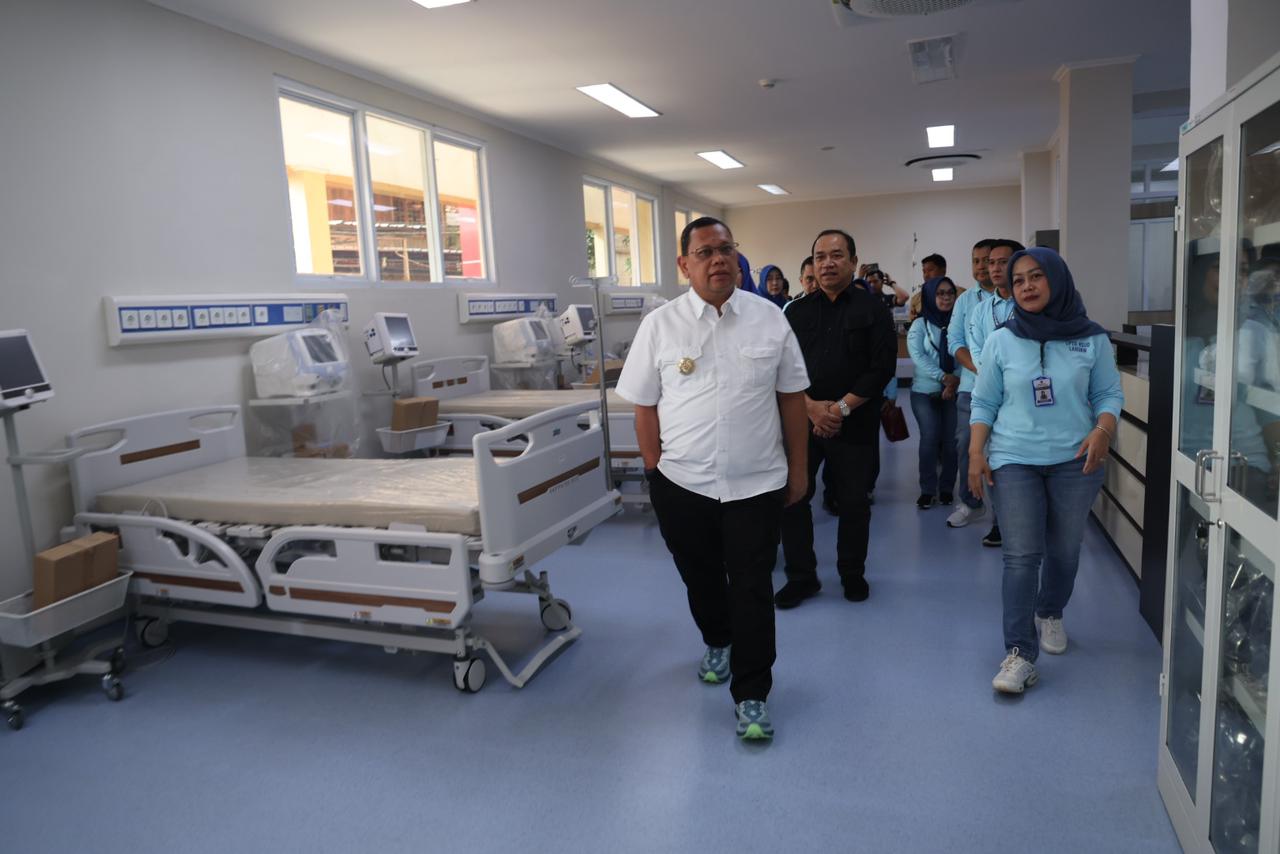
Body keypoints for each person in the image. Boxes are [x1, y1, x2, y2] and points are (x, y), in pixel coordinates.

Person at [616, 216, 810, 740]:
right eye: (704, 252)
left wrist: (798, 469)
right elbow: (643, 406)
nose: (718, 259)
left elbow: (792, 399)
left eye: (725, 249)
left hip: (756, 483)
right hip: (683, 485)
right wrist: (655, 471)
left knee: (752, 588)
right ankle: (717, 639)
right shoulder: (660, 325)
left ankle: (752, 693)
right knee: (699, 578)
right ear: (685, 264)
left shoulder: (770, 319)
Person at [968, 247, 1123, 694]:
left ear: (1057, 280)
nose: (1027, 286)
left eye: (1036, 276)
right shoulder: (1001, 340)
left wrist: (1103, 430)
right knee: (1021, 555)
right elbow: (984, 401)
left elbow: (1109, 394)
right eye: (1018, 280)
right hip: (1014, 457)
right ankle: (1019, 653)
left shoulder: (1091, 338)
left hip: (1076, 460)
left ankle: (1050, 611)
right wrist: (976, 452)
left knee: (1065, 550)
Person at [776, 229, 897, 608]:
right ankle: (801, 577)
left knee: (853, 501)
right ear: (812, 264)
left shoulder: (874, 310)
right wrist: (812, 408)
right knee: (794, 495)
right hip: (803, 422)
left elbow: (881, 369)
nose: (827, 263)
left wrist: (839, 409)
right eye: (819, 257)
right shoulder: (796, 312)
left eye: (836, 255)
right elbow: (781, 369)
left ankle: (851, 573)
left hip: (855, 423)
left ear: (853, 261)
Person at [958, 239, 1025, 547]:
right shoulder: (981, 310)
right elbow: (976, 351)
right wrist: (995, 380)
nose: (994, 268)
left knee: (1016, 462)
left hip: (1024, 401)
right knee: (990, 457)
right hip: (988, 394)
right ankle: (999, 522)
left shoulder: (1030, 304)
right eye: (991, 262)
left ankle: (1017, 521)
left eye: (1002, 262)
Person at [946, 239, 997, 524]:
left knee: (1003, 450)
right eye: (975, 261)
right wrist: (980, 368)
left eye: (986, 260)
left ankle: (1004, 514)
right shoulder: (965, 300)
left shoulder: (1014, 297)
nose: (981, 266)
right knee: (966, 444)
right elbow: (955, 341)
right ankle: (971, 503)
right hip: (971, 387)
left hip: (1009, 390)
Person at [907, 277, 960, 508]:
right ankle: (928, 490)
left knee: (951, 442)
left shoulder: (960, 322)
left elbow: (966, 353)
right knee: (930, 438)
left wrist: (954, 381)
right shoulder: (920, 325)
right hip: (924, 393)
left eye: (950, 293)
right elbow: (918, 357)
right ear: (930, 296)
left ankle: (947, 488)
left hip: (954, 391)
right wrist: (944, 378)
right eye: (940, 293)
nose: (946, 298)